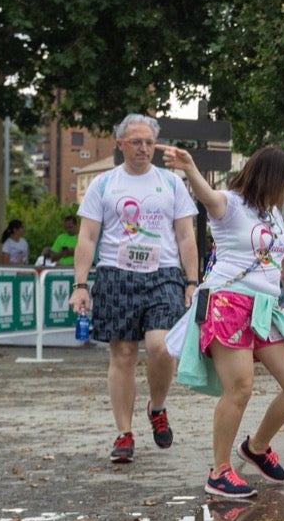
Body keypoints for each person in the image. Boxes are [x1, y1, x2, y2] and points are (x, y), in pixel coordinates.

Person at [160, 144, 284, 498]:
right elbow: (207, 196)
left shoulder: (273, 215)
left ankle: (257, 447)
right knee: (240, 387)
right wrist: (191, 169)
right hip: (228, 303)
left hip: (264, 307)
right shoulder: (230, 204)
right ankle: (220, 471)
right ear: (271, 177)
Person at [69, 114, 200, 464]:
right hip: (116, 273)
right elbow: (88, 236)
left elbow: (186, 236)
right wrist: (80, 284)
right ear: (120, 144)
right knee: (123, 354)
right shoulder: (103, 184)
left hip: (163, 273)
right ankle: (124, 433)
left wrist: (192, 281)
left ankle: (157, 407)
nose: (143, 148)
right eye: (135, 142)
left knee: (161, 347)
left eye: (148, 142)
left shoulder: (172, 184)